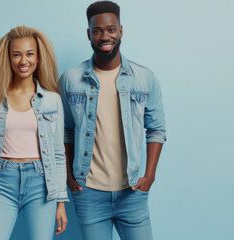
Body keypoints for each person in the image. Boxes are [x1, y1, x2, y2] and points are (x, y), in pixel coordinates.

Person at [59, 1, 166, 239]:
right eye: (97, 31)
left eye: (110, 29)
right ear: (89, 34)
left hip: (132, 192)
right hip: (89, 192)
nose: (104, 36)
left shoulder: (144, 77)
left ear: (120, 30)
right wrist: (69, 176)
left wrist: (150, 175)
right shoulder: (71, 79)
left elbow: (156, 129)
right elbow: (65, 132)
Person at [0, 26, 68, 240]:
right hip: (1, 182)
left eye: (30, 54)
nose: (24, 61)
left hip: (41, 182)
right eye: (17, 54)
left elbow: (58, 153)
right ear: (8, 58)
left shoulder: (53, 100)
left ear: (39, 57)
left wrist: (60, 201)